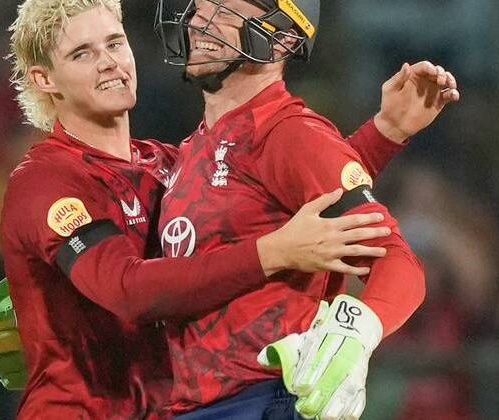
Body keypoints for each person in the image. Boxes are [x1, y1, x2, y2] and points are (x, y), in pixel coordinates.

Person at [0, 0, 459, 418]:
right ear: (44, 79)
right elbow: (129, 288)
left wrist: (381, 136)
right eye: (83, 53)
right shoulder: (46, 181)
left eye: (115, 43)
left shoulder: (170, 163)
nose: (109, 63)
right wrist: (272, 251)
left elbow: (268, 189)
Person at [152, 0, 458, 418]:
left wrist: (356, 332)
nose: (200, 23)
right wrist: (383, 135)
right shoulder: (195, 147)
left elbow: (398, 263)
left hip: (261, 399)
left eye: (224, 10)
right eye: (198, 8)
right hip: (201, 404)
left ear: (283, 38)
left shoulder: (289, 132)